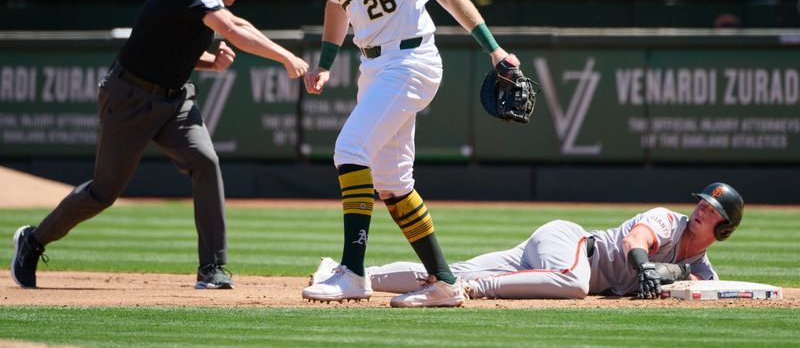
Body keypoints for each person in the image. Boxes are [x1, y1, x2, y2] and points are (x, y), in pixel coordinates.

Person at [10, 0, 309, 290]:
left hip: (175, 100)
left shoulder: (207, 0)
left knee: (205, 162)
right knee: (103, 193)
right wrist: (286, 57)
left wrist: (211, 64)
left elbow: (180, 44)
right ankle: (33, 240)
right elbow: (233, 29)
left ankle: (211, 266)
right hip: (130, 97)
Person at [302, 0, 523, 308]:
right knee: (392, 181)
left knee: (349, 150)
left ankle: (352, 272)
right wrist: (325, 61)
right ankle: (444, 282)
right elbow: (335, 7)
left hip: (412, 59)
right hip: (373, 66)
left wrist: (493, 48)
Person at [311, 182, 745, 300]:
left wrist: (678, 276)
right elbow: (638, 238)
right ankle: (476, 291)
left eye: (712, 211)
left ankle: (351, 273)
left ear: (724, 230)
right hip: (572, 245)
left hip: (549, 264)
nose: (702, 210)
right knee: (574, 285)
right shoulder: (668, 220)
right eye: (703, 203)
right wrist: (645, 264)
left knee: (449, 273)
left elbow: (712, 291)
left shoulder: (702, 267)